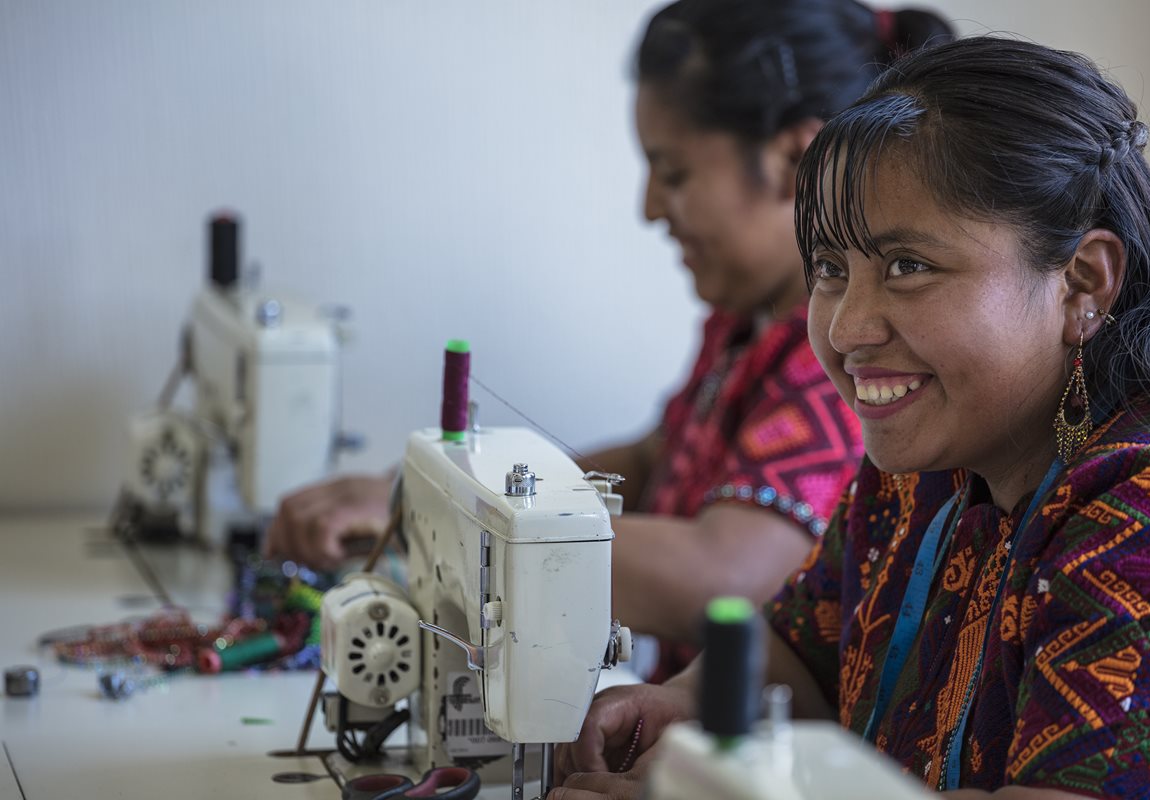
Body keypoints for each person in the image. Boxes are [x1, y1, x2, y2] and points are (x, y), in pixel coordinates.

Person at [553, 35, 1150, 799]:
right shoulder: (921, 470)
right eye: (831, 269)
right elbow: (802, 649)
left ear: (1082, 284)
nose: (846, 327)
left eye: (907, 267)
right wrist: (686, 704)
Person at [265, 0, 951, 678]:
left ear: (793, 160)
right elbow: (655, 458)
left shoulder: (847, 354)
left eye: (674, 172)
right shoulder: (745, 328)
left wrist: (450, 520)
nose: (649, 207)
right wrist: (434, 487)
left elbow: (727, 578)